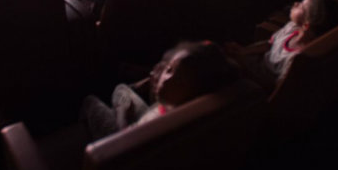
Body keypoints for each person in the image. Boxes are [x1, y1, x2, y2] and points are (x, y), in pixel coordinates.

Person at [80, 41, 239, 141]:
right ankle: (136, 83)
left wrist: (121, 113)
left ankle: (82, 137)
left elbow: (123, 143)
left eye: (181, 80)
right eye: (169, 69)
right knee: (123, 88)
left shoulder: (157, 124)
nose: (167, 79)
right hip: (156, 113)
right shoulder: (191, 108)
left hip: (123, 137)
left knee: (89, 100)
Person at [224, 0, 338, 89]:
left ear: (306, 25)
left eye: (301, 6)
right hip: (260, 61)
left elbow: (274, 87)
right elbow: (269, 44)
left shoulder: (295, 60)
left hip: (260, 80)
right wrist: (243, 51)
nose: (296, 3)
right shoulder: (292, 26)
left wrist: (241, 61)